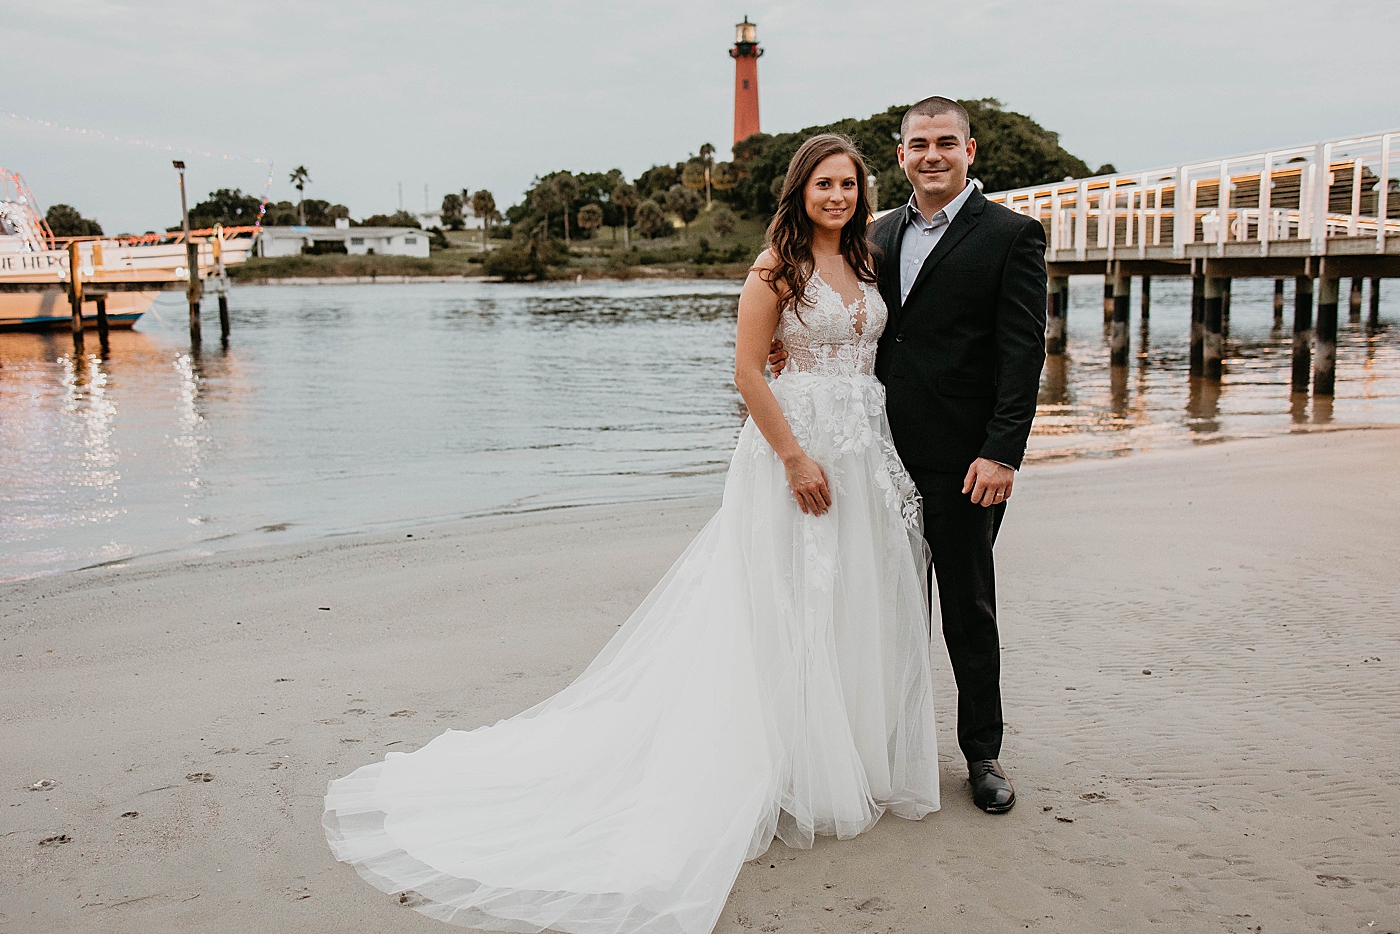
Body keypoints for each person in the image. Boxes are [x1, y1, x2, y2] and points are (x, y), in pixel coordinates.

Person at [324, 134, 941, 934]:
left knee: (848, 604)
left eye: (848, 185)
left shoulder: (866, 263)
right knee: (784, 603)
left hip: (863, 452)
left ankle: (842, 761)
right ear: (800, 191)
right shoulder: (773, 269)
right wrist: (793, 459)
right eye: (824, 184)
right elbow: (749, 371)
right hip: (797, 456)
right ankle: (778, 766)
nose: (837, 196)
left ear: (863, 193)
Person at [772, 96, 1047, 813]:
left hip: (964, 462)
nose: (932, 154)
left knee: (968, 606)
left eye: (946, 143)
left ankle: (982, 753)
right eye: (919, 143)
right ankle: (883, 745)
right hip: (874, 456)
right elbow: (826, 311)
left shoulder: (1012, 235)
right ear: (900, 156)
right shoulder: (874, 233)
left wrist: (1002, 452)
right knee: (881, 603)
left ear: (970, 150)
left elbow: (1023, 355)